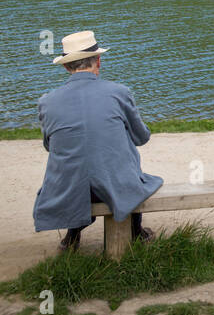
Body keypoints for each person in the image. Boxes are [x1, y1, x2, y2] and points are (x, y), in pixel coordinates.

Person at [33, 30, 163, 252]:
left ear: (66, 67)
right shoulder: (119, 93)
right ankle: (136, 231)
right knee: (121, 164)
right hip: (116, 184)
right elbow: (142, 138)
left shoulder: (47, 102)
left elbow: (49, 146)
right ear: (98, 61)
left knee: (78, 165)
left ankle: (72, 237)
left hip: (68, 189)